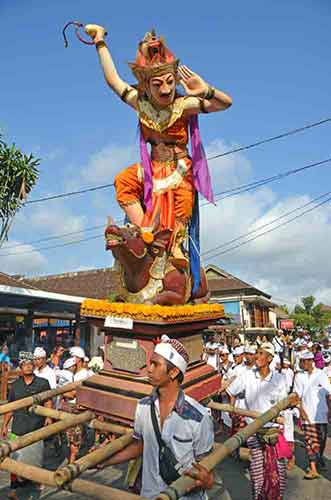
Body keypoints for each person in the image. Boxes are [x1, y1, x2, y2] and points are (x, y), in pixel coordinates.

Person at [89, 27, 232, 283]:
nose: (165, 89)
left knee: (181, 209)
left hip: (179, 169)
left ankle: (176, 246)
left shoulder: (183, 105)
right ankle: (144, 230)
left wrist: (205, 89)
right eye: (157, 84)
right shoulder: (140, 103)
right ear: (146, 84)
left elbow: (225, 103)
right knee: (123, 180)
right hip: (152, 168)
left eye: (168, 82)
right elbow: (113, 80)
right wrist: (100, 41)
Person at [97, 334, 214, 499]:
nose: (149, 369)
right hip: (150, 495)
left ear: (173, 372)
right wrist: (105, 460)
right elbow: (141, 446)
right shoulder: (143, 407)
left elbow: (208, 472)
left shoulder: (198, 417)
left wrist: (206, 481)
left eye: (155, 364)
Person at [227, 342, 289, 500]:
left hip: (274, 433)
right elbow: (231, 391)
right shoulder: (247, 376)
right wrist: (233, 409)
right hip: (253, 431)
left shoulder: (280, 379)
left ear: (269, 359)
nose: (256, 356)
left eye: (261, 353)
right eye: (257, 353)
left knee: (279, 475)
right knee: (257, 476)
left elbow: (283, 408)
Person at [0, 353, 52, 500]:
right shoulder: (15, 385)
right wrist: (4, 425)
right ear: (21, 367)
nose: (28, 366)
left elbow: (48, 401)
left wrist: (48, 416)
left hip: (36, 427)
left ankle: (36, 483)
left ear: (34, 366)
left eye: (30, 364)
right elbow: (10, 407)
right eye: (25, 364)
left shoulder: (42, 383)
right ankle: (14, 490)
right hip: (18, 428)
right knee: (15, 459)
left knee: (35, 458)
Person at [293, 350, 331, 479]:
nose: (300, 364)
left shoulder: (321, 374)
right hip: (307, 415)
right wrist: (301, 411)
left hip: (322, 414)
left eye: (302, 362)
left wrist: (329, 411)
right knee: (310, 441)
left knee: (321, 442)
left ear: (309, 361)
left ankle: (318, 460)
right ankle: (313, 468)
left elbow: (328, 394)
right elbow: (296, 395)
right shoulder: (299, 376)